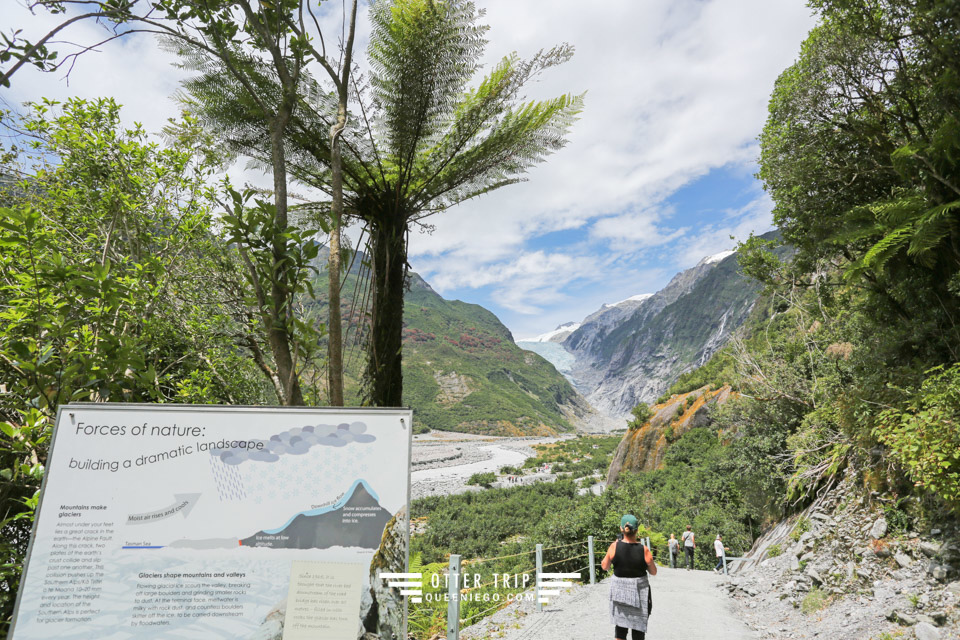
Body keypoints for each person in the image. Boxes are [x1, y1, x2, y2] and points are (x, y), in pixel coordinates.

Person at [601, 514, 657, 640]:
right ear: (637, 530)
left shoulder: (614, 547)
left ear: (622, 529)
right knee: (638, 632)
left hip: (620, 596)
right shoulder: (644, 550)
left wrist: (614, 546)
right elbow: (653, 572)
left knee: (620, 631)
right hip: (639, 598)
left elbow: (604, 566)